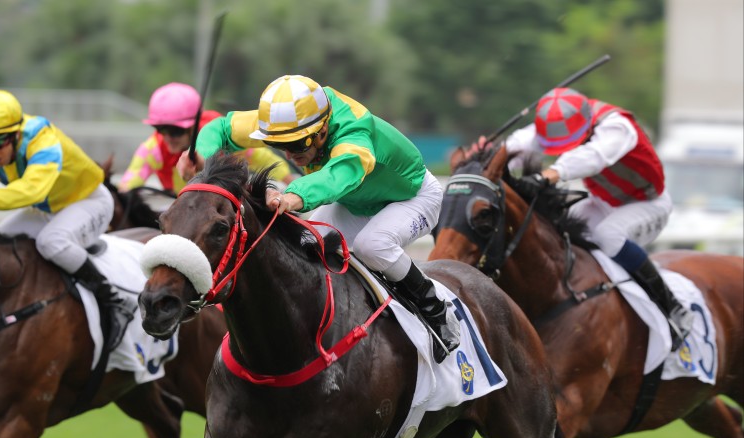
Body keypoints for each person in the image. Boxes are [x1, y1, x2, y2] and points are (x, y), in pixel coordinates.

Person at [178, 74, 460, 363]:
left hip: (412, 197)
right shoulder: (288, 118)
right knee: (303, 245)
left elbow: (342, 173)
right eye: (280, 145)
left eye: (298, 146)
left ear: (323, 130)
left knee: (372, 245)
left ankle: (436, 310)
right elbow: (222, 128)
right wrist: (203, 158)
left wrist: (292, 195)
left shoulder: (354, 131)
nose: (289, 154)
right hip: (356, 202)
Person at [494, 87, 693, 350]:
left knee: (608, 235)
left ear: (584, 126)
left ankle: (672, 307)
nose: (567, 148)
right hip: (602, 202)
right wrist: (490, 155)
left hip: (648, 204)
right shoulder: (566, 121)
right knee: (552, 229)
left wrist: (548, 175)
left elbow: (594, 156)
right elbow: (523, 141)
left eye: (571, 142)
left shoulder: (617, 128)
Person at [0, 89, 134, 349]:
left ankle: (114, 302)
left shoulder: (43, 140)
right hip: (48, 209)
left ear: (16, 133)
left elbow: (34, 189)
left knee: (51, 242)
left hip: (90, 202)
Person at [118, 82, 297, 195]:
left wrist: (292, 184)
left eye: (174, 131)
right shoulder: (153, 149)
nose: (166, 138)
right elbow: (129, 182)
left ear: (193, 127)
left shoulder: (220, 139)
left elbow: (261, 158)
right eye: (159, 129)